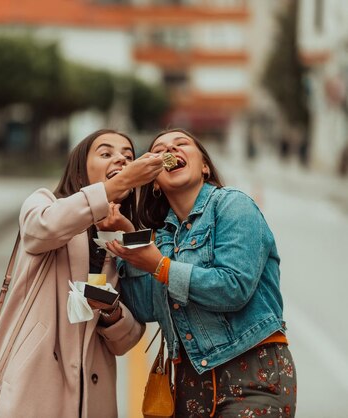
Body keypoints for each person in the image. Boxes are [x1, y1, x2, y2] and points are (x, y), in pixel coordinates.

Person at [105, 128, 297, 417]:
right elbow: (145, 307)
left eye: (181, 144)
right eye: (159, 151)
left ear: (205, 166)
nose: (170, 151)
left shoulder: (233, 205)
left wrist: (161, 267)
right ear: (154, 182)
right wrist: (130, 235)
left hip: (253, 377)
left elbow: (234, 288)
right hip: (189, 385)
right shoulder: (163, 237)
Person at [0, 129, 163, 417]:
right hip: (33, 391)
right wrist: (121, 182)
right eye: (106, 153)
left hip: (91, 400)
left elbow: (128, 339)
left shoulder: (127, 237)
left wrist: (111, 311)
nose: (120, 159)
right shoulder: (43, 204)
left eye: (128, 157)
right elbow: (43, 230)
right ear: (80, 173)